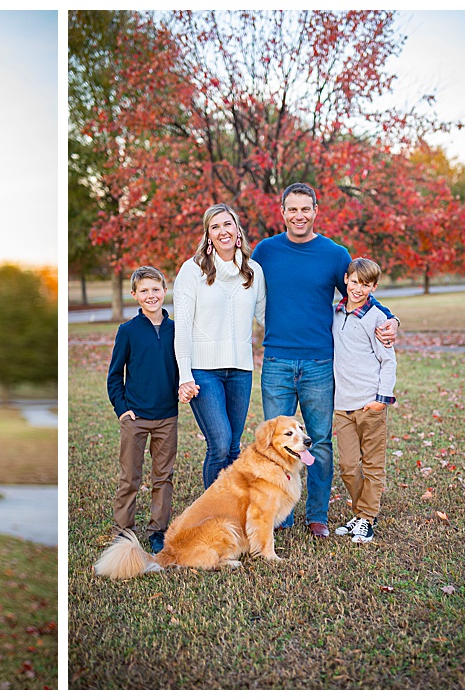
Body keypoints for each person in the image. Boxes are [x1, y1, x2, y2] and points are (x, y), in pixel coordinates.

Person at [252, 183, 397, 536]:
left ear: (316, 210)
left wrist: (391, 317)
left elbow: (359, 290)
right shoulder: (265, 251)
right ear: (282, 211)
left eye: (306, 209)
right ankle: (280, 513)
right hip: (277, 362)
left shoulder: (334, 254)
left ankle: (317, 514)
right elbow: (241, 291)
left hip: (319, 364)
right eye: (292, 209)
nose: (299, 216)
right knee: (277, 442)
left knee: (319, 441)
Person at [173, 204, 266, 488]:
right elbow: (183, 328)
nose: (222, 231)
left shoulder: (254, 271)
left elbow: (267, 318)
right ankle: (212, 512)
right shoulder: (192, 270)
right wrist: (185, 375)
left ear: (237, 230)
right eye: (215, 227)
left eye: (227, 224)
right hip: (203, 370)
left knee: (234, 446)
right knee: (221, 444)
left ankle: (233, 510)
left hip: (241, 369)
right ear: (208, 235)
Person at [106, 266, 178, 553]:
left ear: (164, 290)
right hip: (135, 418)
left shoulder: (177, 329)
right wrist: (122, 409)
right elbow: (114, 375)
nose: (151, 295)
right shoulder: (128, 331)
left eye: (156, 289)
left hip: (167, 417)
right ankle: (123, 531)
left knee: (163, 478)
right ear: (135, 295)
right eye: (144, 290)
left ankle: (158, 530)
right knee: (130, 477)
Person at [329, 258, 397, 544]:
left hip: (370, 404)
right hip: (343, 405)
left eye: (365, 284)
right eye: (355, 281)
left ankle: (366, 519)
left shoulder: (378, 319)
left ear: (374, 287)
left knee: (372, 465)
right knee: (347, 465)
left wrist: (381, 400)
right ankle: (361, 513)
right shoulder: (335, 313)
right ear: (346, 279)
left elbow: (388, 361)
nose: (358, 288)